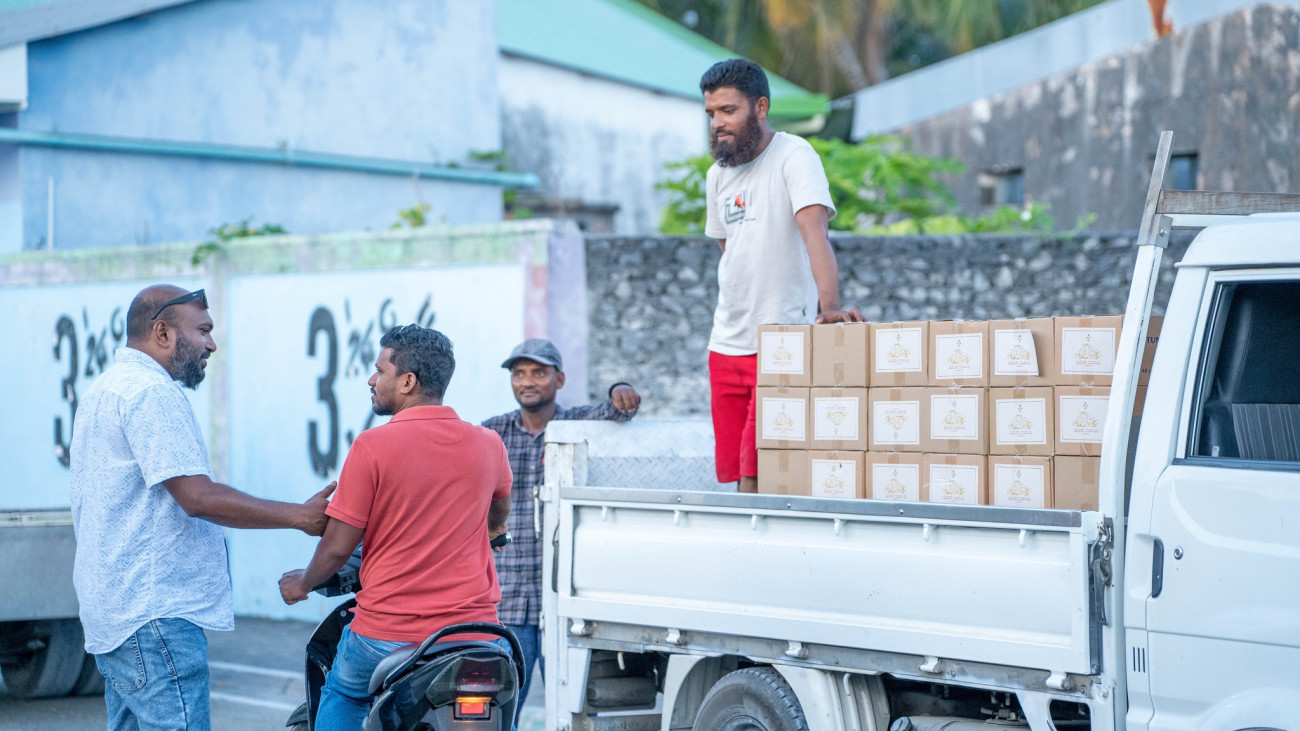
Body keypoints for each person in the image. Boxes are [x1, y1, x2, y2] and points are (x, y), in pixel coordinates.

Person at [69, 284, 334, 731]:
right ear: (163, 333)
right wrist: (300, 516)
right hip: (154, 615)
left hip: (119, 611)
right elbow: (197, 497)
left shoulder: (108, 388)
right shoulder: (151, 392)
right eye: (204, 331)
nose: (212, 344)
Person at [279, 325, 513, 731]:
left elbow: (337, 549)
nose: (372, 380)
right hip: (477, 633)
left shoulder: (373, 447)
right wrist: (494, 532)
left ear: (407, 381)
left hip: (389, 634)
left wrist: (302, 584)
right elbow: (500, 506)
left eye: (379, 370)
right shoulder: (488, 443)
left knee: (343, 692)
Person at [700, 58, 864, 493]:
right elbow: (728, 248)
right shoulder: (717, 177)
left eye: (728, 111)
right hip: (725, 345)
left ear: (761, 106)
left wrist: (828, 309)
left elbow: (816, 235)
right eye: (711, 114)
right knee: (737, 475)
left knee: (760, 473)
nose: (717, 123)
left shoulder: (795, 155)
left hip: (781, 341)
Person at [482, 338, 640, 717]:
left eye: (538, 372)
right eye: (519, 373)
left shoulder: (575, 426)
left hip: (562, 603)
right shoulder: (490, 434)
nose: (527, 381)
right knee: (497, 712)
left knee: (571, 713)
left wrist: (619, 388)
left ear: (560, 378)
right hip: (507, 603)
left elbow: (616, 412)